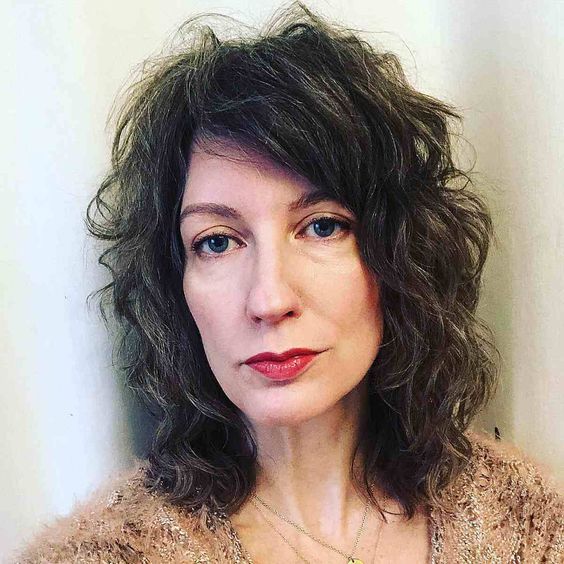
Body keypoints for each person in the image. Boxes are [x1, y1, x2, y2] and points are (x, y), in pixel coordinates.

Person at [14, 2, 563, 563]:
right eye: (217, 241)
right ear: (175, 287)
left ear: (402, 255)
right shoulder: (103, 554)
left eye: (322, 227)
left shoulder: (530, 530)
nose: (269, 299)